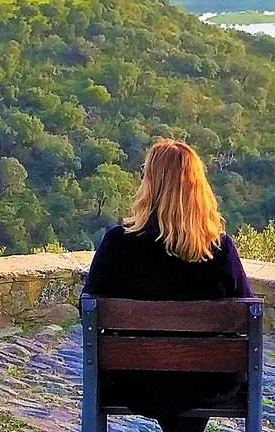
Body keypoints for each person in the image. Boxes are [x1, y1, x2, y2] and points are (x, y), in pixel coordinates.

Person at [82, 139, 253, 432]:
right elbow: (246, 314)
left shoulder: (117, 244)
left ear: (149, 184)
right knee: (197, 373)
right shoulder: (219, 249)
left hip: (134, 381)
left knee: (167, 379)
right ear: (198, 188)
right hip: (206, 383)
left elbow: (88, 306)